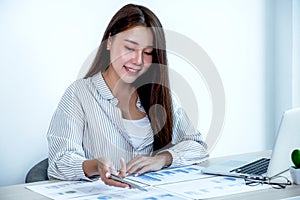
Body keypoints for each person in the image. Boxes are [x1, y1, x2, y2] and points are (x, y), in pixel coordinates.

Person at [47, 3, 208, 188]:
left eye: (147, 53)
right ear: (109, 41)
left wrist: (163, 159)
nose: (138, 61)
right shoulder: (79, 94)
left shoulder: (158, 94)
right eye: (130, 48)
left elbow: (197, 146)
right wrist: (95, 166)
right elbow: (58, 163)